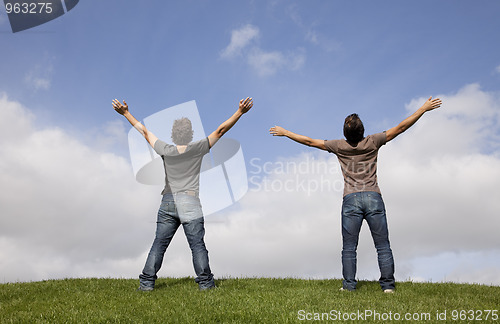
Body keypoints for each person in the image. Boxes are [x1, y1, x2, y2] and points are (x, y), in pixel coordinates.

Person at [269, 96, 442, 292]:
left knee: (349, 247)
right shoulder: (373, 141)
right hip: (373, 196)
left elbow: (309, 142)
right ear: (363, 131)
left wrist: (286, 132)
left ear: (345, 132)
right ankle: (388, 287)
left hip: (350, 199)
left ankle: (349, 286)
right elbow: (401, 127)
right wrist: (423, 108)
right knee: (382, 245)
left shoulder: (338, 146)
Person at [113, 97, 254, 291]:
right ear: (190, 134)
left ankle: (146, 285)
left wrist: (126, 113)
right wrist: (240, 112)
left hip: (168, 201)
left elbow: (144, 132)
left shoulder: (166, 149)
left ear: (173, 135)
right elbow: (221, 130)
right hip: (190, 201)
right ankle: (205, 285)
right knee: (197, 245)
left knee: (159, 245)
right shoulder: (198, 148)